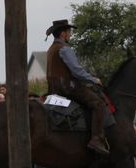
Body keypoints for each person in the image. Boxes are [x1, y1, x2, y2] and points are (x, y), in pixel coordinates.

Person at [45, 18, 109, 155]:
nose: (70, 34)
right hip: (68, 88)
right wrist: (93, 80)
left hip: (54, 89)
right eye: (69, 32)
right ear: (63, 34)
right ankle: (96, 138)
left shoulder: (51, 49)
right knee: (99, 104)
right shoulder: (65, 48)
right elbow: (77, 71)